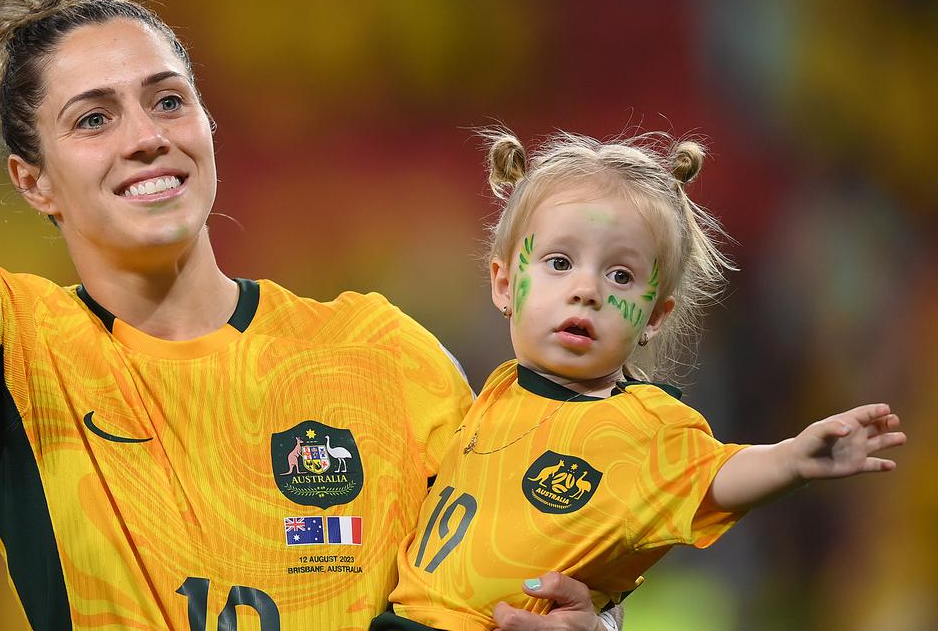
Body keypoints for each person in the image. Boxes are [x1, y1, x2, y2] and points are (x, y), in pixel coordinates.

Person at [0, 0, 623, 629]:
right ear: (32, 180)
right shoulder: (25, 358)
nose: (146, 135)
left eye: (168, 98)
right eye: (92, 118)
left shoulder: (383, 352)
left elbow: (514, 572)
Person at [370, 130, 907, 630]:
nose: (587, 290)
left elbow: (715, 474)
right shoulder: (495, 391)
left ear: (654, 316)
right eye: (559, 262)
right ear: (504, 284)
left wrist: (793, 459)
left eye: (621, 276)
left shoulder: (645, 426)